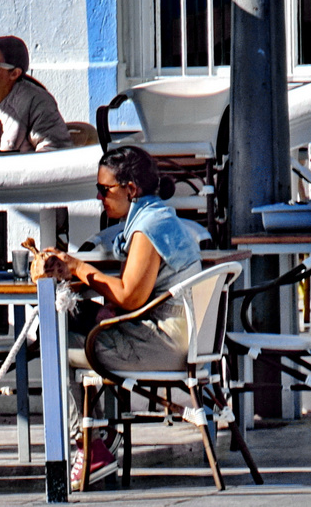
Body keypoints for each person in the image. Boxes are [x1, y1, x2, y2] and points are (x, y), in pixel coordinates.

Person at [31, 145, 204, 374]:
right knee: (70, 315)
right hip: (182, 339)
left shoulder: (147, 228)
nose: (98, 196)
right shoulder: (158, 216)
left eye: (105, 189)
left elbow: (129, 296)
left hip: (164, 344)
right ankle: (89, 411)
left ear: (130, 189)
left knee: (53, 340)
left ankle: (76, 412)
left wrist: (76, 267)